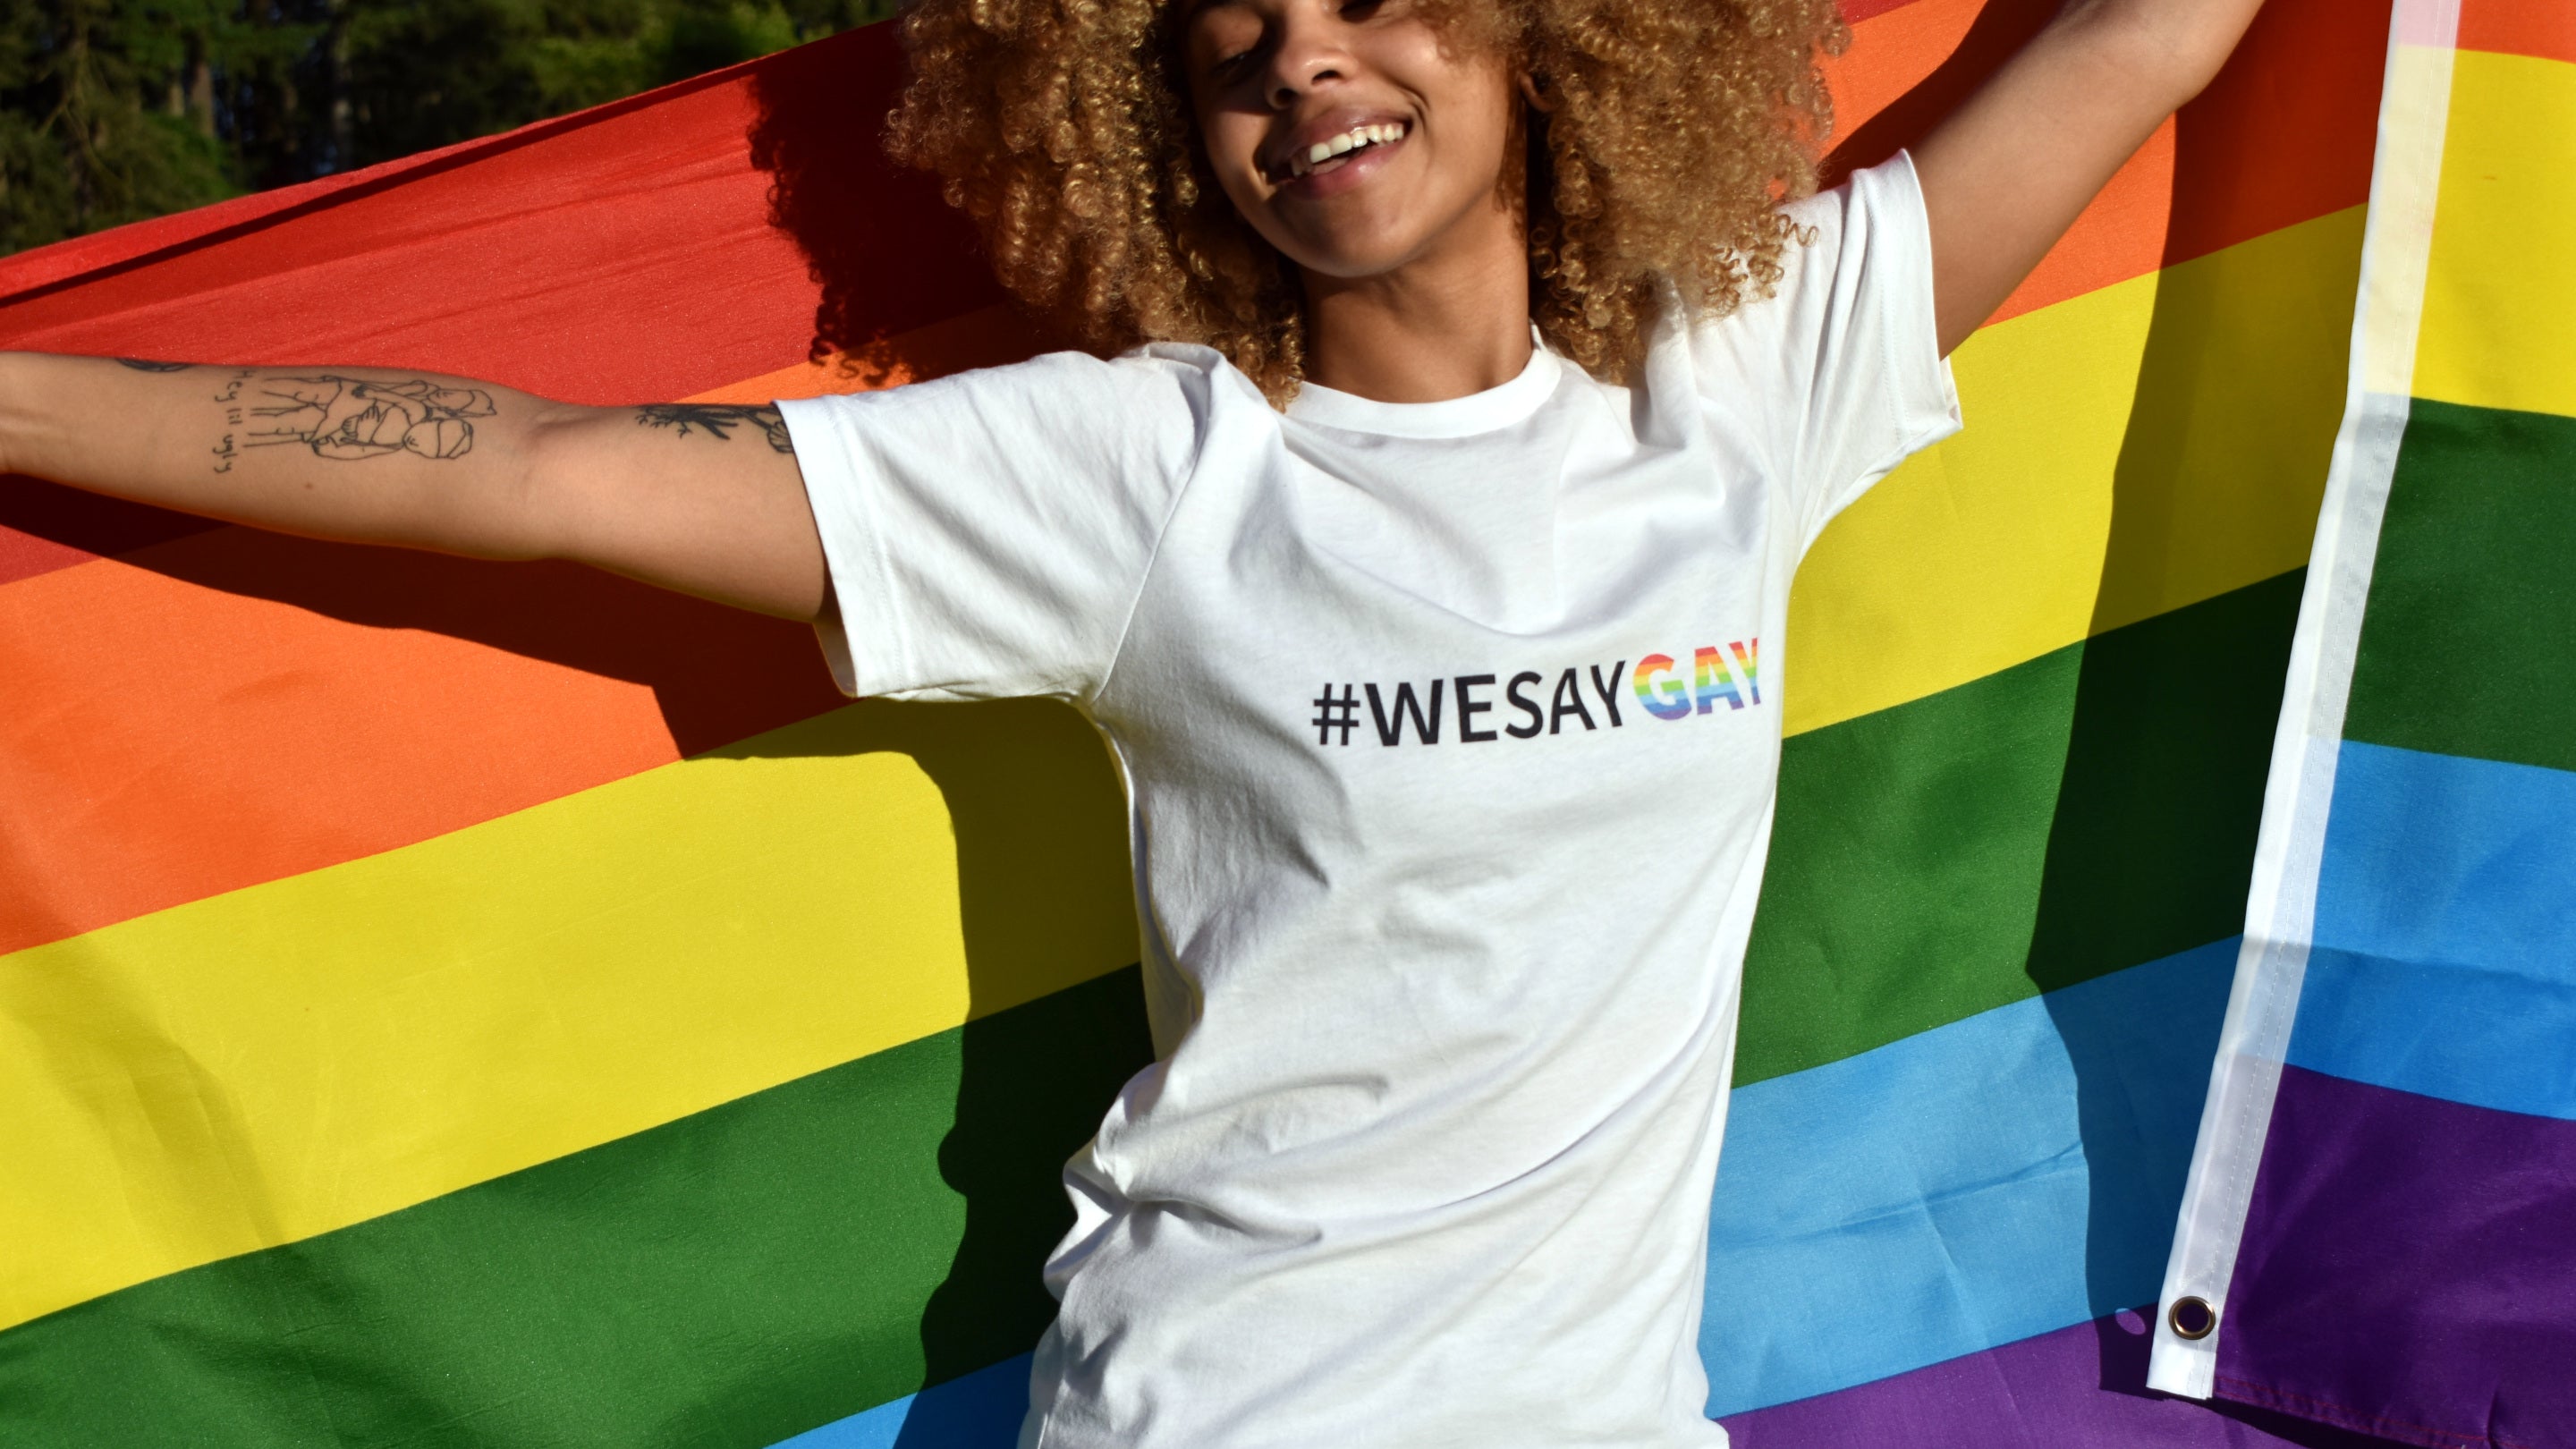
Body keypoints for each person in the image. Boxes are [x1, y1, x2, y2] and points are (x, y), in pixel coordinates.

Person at [0, 0, 2267, 1441]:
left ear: (1537, 35)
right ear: (1173, 133)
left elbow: (2137, 47)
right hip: (1228, 1409)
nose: (1304, 60)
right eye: (1233, 45)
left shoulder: (1742, 388)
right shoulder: (1143, 474)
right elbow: (528, 471)